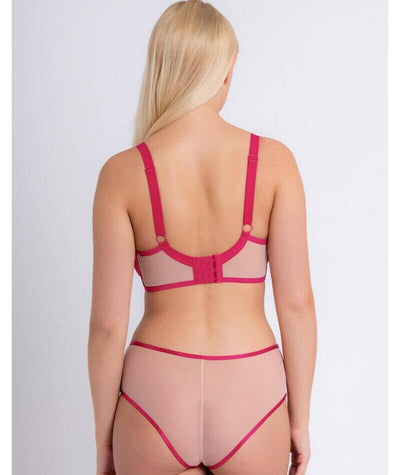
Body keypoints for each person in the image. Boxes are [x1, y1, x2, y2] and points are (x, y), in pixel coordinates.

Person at [88, 1, 317, 474]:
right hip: (251, 392)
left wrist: (105, 439)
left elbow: (107, 327)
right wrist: (299, 420)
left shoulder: (122, 174)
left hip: (155, 395)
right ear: (226, 70)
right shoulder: (275, 163)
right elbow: (296, 306)